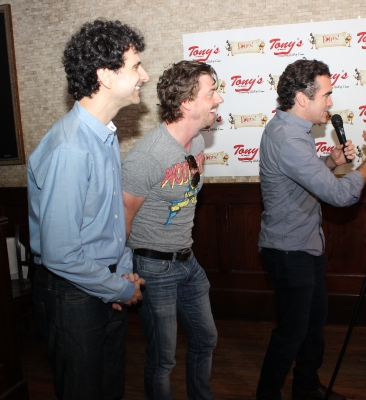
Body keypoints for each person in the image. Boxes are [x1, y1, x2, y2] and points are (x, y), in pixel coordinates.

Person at [27, 19, 148, 400]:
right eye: (135, 66)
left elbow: (110, 220)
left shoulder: (103, 133)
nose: (144, 74)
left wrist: (122, 272)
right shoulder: (71, 147)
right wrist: (116, 287)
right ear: (106, 75)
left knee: (109, 388)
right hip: (72, 295)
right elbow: (61, 253)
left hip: (100, 284)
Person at [256, 59, 366, 400]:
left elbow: (300, 181)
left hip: (306, 245)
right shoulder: (288, 138)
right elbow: (341, 195)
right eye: (326, 95)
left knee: (312, 327)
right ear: (301, 98)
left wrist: (330, 162)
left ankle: (306, 388)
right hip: (288, 249)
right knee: (292, 333)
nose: (330, 103)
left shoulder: (295, 131)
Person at [122, 60, 223, 400]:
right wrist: (124, 274)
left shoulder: (196, 143)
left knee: (206, 338)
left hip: (186, 261)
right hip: (153, 266)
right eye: (212, 93)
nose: (219, 100)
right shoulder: (148, 157)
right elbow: (122, 219)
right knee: (163, 359)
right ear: (187, 103)